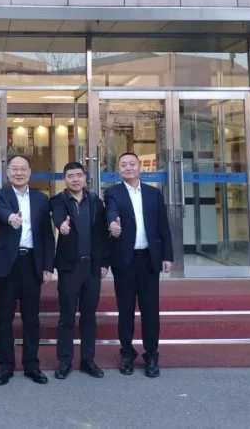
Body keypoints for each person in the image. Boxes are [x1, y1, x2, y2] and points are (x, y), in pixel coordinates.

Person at [104, 152, 174, 378]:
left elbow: (163, 226)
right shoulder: (113, 192)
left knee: (150, 310)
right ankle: (127, 353)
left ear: (139, 167)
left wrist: (167, 256)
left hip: (149, 260)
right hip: (124, 261)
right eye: (123, 164)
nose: (128, 167)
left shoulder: (154, 194)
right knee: (125, 310)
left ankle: (151, 355)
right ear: (119, 170)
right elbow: (111, 211)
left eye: (132, 164)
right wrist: (112, 225)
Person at [0, 155, 55, 386]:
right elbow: (0, 210)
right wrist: (10, 218)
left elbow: (47, 235)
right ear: (8, 173)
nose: (19, 173)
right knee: (4, 318)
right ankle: (5, 366)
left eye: (23, 169)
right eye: (14, 169)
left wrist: (47, 266)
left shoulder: (41, 198)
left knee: (31, 318)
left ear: (29, 172)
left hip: (32, 263)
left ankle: (31, 365)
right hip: (7, 264)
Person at [49, 161, 109, 380]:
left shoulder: (96, 202)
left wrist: (104, 263)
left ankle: (87, 360)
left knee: (89, 316)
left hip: (92, 268)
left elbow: (102, 234)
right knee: (66, 316)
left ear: (85, 178)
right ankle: (65, 361)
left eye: (78, 175)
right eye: (70, 176)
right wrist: (61, 226)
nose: (75, 179)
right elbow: (58, 216)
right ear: (64, 179)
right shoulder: (58, 200)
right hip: (69, 268)